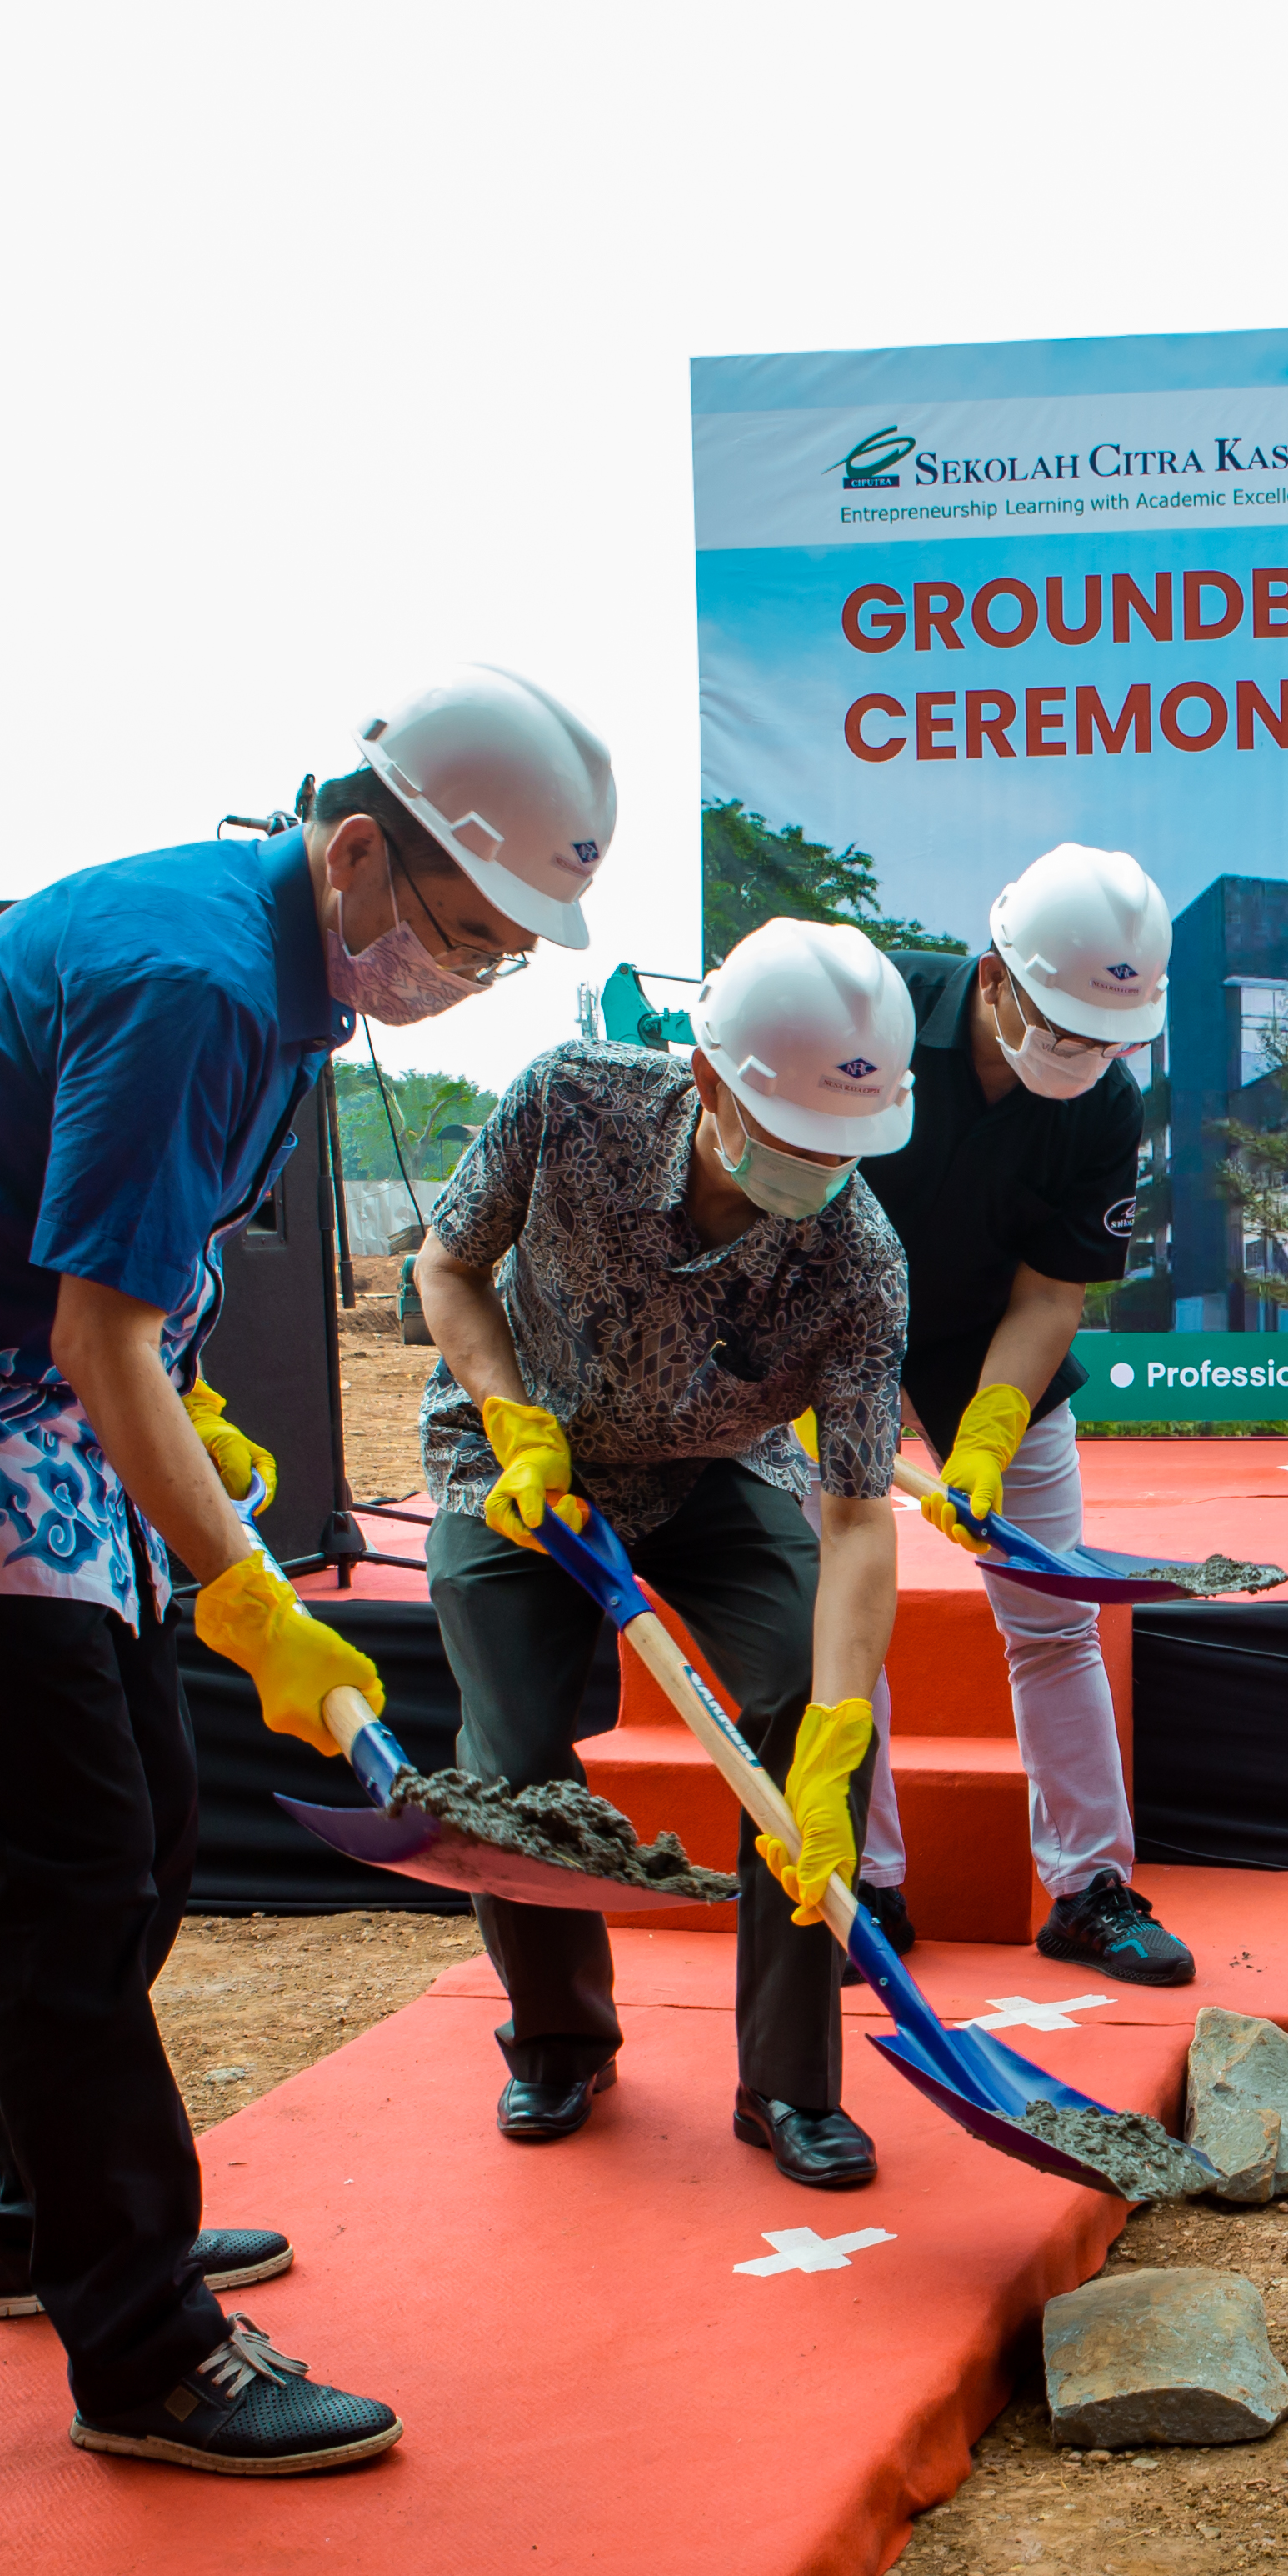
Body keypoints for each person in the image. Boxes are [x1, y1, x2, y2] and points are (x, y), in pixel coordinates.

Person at [0, 661, 620, 2477]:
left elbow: (143, 1281)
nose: (468, 982)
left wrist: (204, 1424)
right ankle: (145, 2352)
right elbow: (98, 1331)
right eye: (463, 933)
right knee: (69, 1860)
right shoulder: (200, 978)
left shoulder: (283, 968)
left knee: (143, 1822)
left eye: (508, 957)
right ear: (356, 856)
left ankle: (51, 2220)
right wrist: (253, 1594)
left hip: (22, 1401)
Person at [407, 918, 912, 2190]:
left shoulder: (860, 1264)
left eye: (845, 1148)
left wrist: (843, 1727)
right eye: (796, 1137)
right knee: (513, 1757)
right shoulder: (569, 1100)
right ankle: (560, 2041)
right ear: (708, 1078)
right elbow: (449, 1262)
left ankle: (790, 2087)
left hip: (715, 1470)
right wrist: (516, 1420)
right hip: (516, 1454)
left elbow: (856, 1518)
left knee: (806, 1714)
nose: (822, 1171)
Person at [853, 843, 1195, 1988]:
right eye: (1060, 1028)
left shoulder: (1104, 1101)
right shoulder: (873, 1009)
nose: (1080, 1058)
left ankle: (1090, 1889)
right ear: (996, 974)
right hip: (826, 1319)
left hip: (991, 1335)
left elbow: (1053, 1291)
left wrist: (992, 1429)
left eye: (1105, 1039)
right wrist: (794, 1385)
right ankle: (862, 1884)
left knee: (1052, 1617)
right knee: (834, 1609)